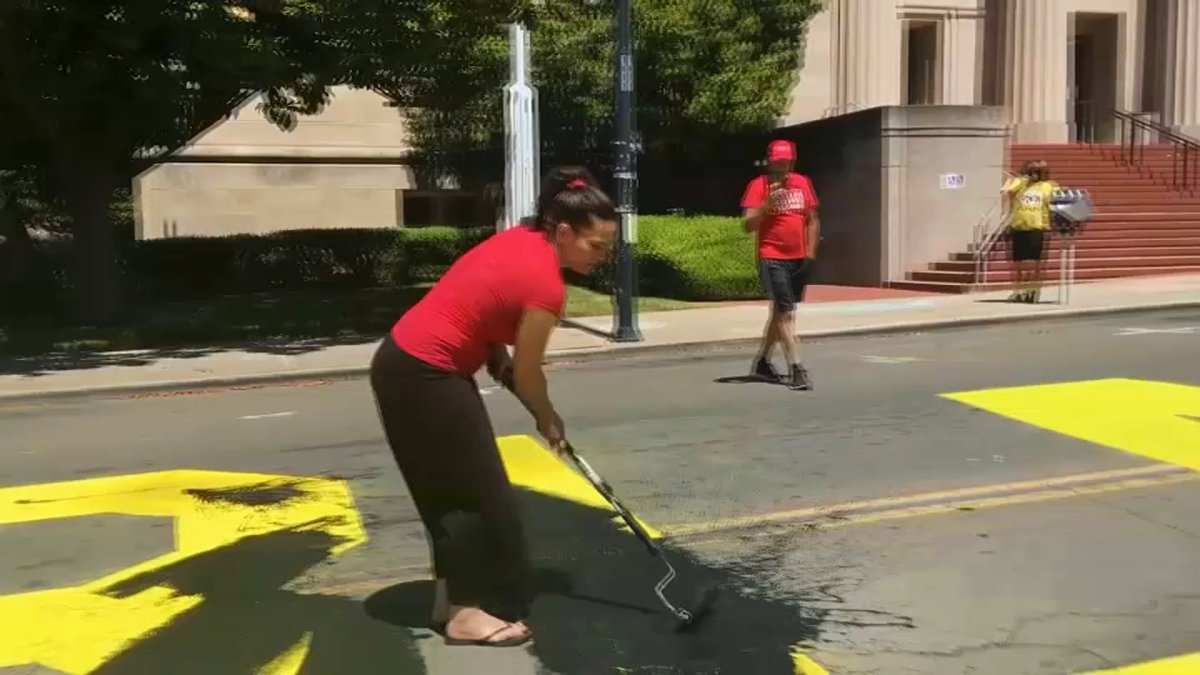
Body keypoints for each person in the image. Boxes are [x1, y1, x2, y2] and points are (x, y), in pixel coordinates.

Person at [369, 166, 618, 647]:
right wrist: (548, 418)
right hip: (424, 375)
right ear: (564, 232)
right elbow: (529, 374)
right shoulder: (546, 286)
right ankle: (465, 616)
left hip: (406, 363)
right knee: (476, 498)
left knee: (454, 493)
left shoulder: (523, 236)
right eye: (596, 246)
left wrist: (493, 353)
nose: (602, 257)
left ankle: (452, 603)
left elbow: (481, 295)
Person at [739, 139, 821, 390]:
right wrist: (767, 204)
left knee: (781, 312)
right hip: (772, 256)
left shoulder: (803, 183)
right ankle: (797, 367)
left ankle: (762, 362)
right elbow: (747, 225)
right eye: (777, 163)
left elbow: (812, 219)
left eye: (786, 163)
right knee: (786, 313)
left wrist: (810, 253)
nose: (782, 168)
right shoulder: (758, 186)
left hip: (798, 258)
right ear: (770, 161)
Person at [1001, 160, 1058, 303]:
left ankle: (1033, 290)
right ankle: (1018, 291)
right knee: (1018, 262)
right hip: (1019, 226)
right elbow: (1005, 191)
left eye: (1037, 171)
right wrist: (1021, 181)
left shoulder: (1047, 186)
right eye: (1031, 170)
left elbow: (1058, 197)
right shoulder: (1019, 184)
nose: (1033, 173)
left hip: (1036, 227)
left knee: (1034, 262)